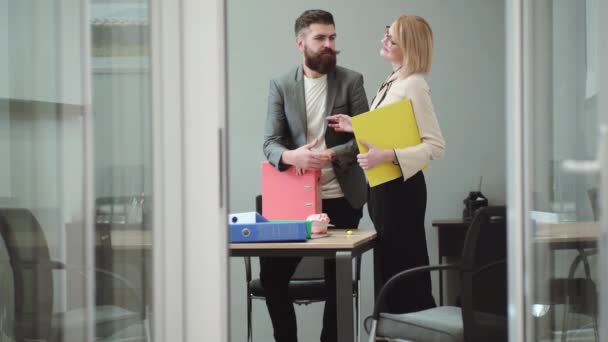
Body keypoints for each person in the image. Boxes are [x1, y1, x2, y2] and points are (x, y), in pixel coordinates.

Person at [261, 9, 369, 342]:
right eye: (320, 38)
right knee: (272, 278)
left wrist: (333, 153)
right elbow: (270, 144)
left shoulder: (352, 81)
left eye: (332, 38)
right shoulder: (280, 85)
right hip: (294, 200)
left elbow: (366, 137)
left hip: (342, 197)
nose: (328, 44)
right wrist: (293, 156)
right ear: (301, 42)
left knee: (336, 282)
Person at [327, 14, 445, 314]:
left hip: (401, 190)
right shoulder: (394, 81)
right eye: (386, 34)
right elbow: (391, 129)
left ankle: (413, 328)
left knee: (402, 267)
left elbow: (435, 146)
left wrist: (388, 155)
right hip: (382, 188)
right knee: (389, 266)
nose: (384, 40)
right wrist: (354, 125)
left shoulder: (414, 84)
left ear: (409, 46)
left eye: (392, 38)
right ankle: (395, 328)